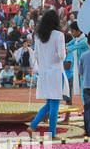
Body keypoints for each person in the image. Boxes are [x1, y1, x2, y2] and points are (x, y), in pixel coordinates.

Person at [28, 7, 66, 139]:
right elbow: (62, 56)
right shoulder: (59, 35)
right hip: (55, 72)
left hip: (44, 73)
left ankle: (33, 125)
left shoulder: (38, 36)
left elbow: (36, 55)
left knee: (50, 103)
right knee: (54, 104)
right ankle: (51, 133)